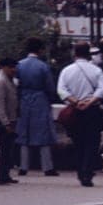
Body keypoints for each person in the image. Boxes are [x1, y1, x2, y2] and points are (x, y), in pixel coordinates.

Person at [56, 41, 103, 187]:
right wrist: (90, 101)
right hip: (92, 110)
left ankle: (81, 170)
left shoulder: (67, 70)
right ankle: (87, 171)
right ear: (88, 54)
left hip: (74, 111)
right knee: (92, 142)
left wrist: (75, 101)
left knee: (78, 142)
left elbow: (61, 90)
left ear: (74, 53)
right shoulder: (96, 70)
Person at [15, 37, 60, 177]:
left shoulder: (19, 65)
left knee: (24, 133)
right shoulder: (43, 66)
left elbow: (16, 85)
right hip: (40, 100)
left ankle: (23, 166)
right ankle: (47, 167)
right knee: (43, 133)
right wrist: (50, 98)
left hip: (24, 99)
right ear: (40, 50)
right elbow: (50, 87)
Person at [0, 57, 19, 184]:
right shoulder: (0, 81)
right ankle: (2, 176)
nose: (14, 69)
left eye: (15, 67)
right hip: (2, 121)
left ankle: (5, 175)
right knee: (4, 149)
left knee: (8, 149)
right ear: (4, 67)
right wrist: (6, 123)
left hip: (10, 118)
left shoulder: (9, 80)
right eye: (11, 67)